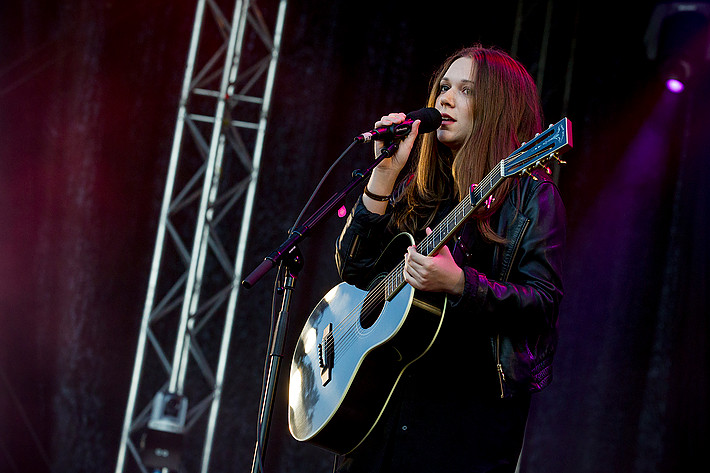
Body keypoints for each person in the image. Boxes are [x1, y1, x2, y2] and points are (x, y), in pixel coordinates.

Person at [332, 45, 566, 472]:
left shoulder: (531, 196)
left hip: (459, 430)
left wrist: (461, 284)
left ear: (498, 108)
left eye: (466, 90)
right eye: (443, 87)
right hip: (380, 423)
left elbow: (543, 304)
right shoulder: (420, 192)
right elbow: (354, 273)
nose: (444, 99)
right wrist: (384, 175)